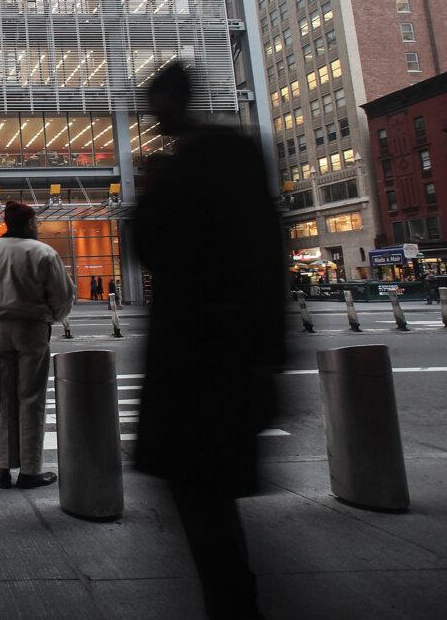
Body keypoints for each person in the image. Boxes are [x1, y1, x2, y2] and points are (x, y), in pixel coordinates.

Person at [132, 62, 286, 619]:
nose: (153, 117)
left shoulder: (178, 167)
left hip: (191, 359)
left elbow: (155, 249)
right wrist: (270, 356)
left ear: (171, 102)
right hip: (236, 352)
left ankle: (232, 602)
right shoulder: (239, 151)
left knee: (199, 497)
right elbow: (270, 251)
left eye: (154, 106)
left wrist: (149, 193)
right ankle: (234, 595)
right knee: (212, 494)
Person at [0, 201, 76, 490]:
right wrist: (52, 316)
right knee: (31, 399)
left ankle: (2, 468)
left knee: (6, 400)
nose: (37, 226)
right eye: (35, 222)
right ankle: (30, 471)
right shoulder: (43, 252)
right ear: (28, 224)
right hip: (31, 330)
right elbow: (63, 298)